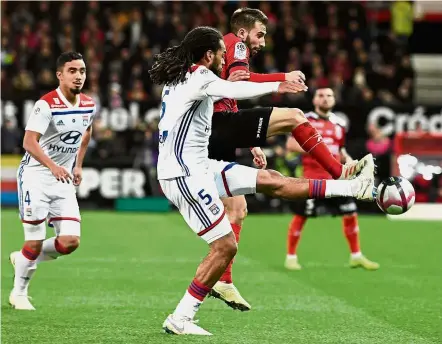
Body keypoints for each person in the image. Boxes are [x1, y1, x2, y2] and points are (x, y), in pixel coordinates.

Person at [149, 26, 375, 336]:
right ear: (209, 55)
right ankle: (180, 318)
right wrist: (281, 82)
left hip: (201, 166)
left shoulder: (182, 77)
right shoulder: (198, 76)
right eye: (222, 53)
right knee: (225, 246)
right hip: (184, 175)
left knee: (272, 180)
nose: (226, 57)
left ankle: (353, 187)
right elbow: (236, 90)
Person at [208, 8, 371, 311]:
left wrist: (249, 142)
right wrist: (281, 78)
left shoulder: (226, 47)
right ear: (244, 33)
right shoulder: (237, 44)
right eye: (261, 34)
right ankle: (339, 172)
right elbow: (237, 82)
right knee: (295, 116)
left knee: (238, 210)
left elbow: (227, 90)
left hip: (217, 127)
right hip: (216, 126)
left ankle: (224, 280)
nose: (264, 42)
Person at [9, 52, 96, 310]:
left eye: (81, 70)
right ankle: (19, 293)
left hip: (63, 179)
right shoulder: (46, 105)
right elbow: (28, 142)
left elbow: (86, 132)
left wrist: (78, 164)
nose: (78, 75)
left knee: (70, 242)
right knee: (34, 240)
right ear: (60, 75)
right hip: (36, 175)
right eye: (72, 71)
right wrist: (53, 165)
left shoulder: (89, 104)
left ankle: (23, 257)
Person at [285, 88, 380, 271]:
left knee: (350, 213)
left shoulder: (339, 124)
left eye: (329, 96)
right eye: (321, 95)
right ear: (314, 100)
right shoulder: (305, 120)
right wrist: (319, 150)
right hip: (312, 179)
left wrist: (353, 163)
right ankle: (290, 257)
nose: (325, 99)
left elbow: (341, 151)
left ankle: (356, 256)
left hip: (337, 180)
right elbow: (290, 144)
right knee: (301, 215)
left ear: (334, 100)